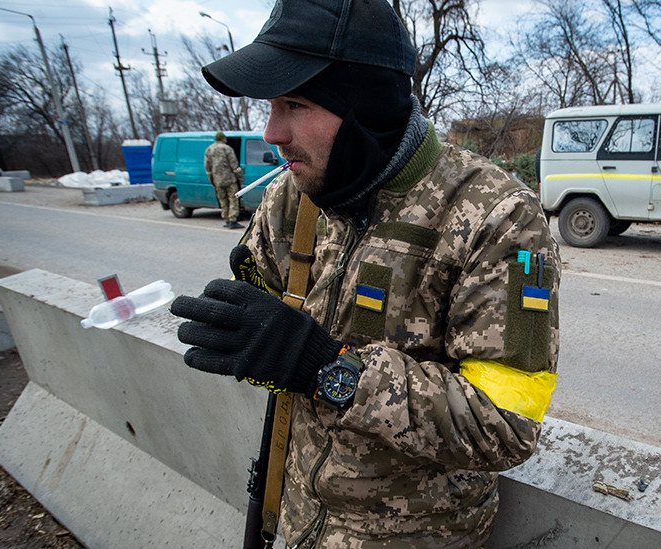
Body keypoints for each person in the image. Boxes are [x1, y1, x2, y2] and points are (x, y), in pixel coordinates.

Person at [170, 0, 560, 546]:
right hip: (299, 521)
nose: (272, 131)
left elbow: (505, 423)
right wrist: (255, 324)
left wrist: (328, 370)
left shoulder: (498, 216)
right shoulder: (292, 195)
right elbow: (265, 336)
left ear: (364, 107)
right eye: (270, 105)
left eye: (294, 103)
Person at [204, 131, 244, 229]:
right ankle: (232, 220)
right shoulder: (227, 149)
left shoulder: (209, 150)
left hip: (218, 180)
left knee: (223, 200)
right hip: (230, 179)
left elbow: (207, 167)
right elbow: (234, 165)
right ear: (223, 139)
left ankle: (226, 219)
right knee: (233, 199)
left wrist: (212, 180)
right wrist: (240, 178)